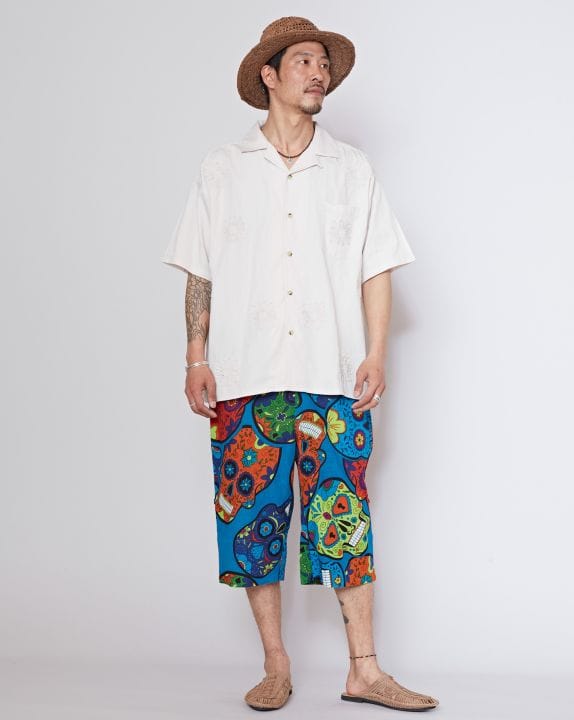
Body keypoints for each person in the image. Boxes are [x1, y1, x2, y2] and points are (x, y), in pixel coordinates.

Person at [161, 15, 439, 713]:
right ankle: (275, 665)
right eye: (306, 61)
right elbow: (200, 271)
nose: (320, 73)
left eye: (324, 63)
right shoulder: (222, 168)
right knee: (252, 522)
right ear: (270, 74)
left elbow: (377, 266)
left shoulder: (352, 169)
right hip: (244, 375)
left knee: (345, 518)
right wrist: (195, 356)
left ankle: (364, 671)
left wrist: (375, 352)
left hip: (332, 376)